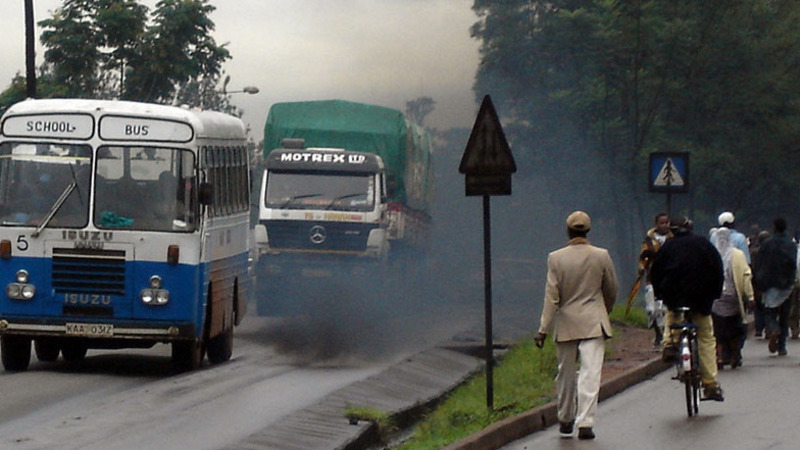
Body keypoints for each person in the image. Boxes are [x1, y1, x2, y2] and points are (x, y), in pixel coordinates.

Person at [535, 211, 618, 440]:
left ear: (568, 231)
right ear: (588, 230)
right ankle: (586, 422)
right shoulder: (602, 255)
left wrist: (543, 329)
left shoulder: (556, 258)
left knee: (566, 374)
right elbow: (611, 288)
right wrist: (605, 310)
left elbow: (551, 297)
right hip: (594, 321)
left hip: (567, 323)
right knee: (590, 373)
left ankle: (565, 417)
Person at [650, 216, 725, 402]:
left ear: (672, 230)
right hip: (701, 298)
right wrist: (715, 293)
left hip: (674, 297)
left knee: (672, 316)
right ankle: (710, 384)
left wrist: (660, 294)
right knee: (706, 338)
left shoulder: (667, 247)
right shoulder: (704, 245)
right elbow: (718, 269)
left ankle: (669, 344)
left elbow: (656, 272)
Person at [753, 217, 797, 356]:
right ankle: (782, 346)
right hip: (786, 286)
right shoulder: (790, 244)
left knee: (769, 313)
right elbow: (793, 264)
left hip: (769, 284)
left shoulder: (766, 244)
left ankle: (772, 329)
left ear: (774, 227)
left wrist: (758, 282)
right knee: (784, 316)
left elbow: (760, 264)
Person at [710, 227, 753, 369]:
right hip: (733, 297)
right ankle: (735, 355)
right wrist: (750, 296)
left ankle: (720, 356)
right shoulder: (738, 255)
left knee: (717, 330)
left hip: (716, 298)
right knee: (734, 329)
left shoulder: (711, 253)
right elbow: (746, 275)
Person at [638, 212, 672, 346]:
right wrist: (641, 267)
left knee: (663, 309)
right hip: (651, 278)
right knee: (651, 310)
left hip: (667, 278)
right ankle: (656, 332)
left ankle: (664, 335)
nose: (664, 225)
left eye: (666, 222)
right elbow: (642, 257)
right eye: (661, 223)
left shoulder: (672, 239)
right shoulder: (649, 240)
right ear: (656, 224)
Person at [749, 228, 769, 337]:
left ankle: (758, 329)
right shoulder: (771, 252)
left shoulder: (754, 252)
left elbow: (752, 266)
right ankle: (768, 328)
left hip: (756, 281)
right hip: (768, 282)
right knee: (768, 306)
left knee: (758, 306)